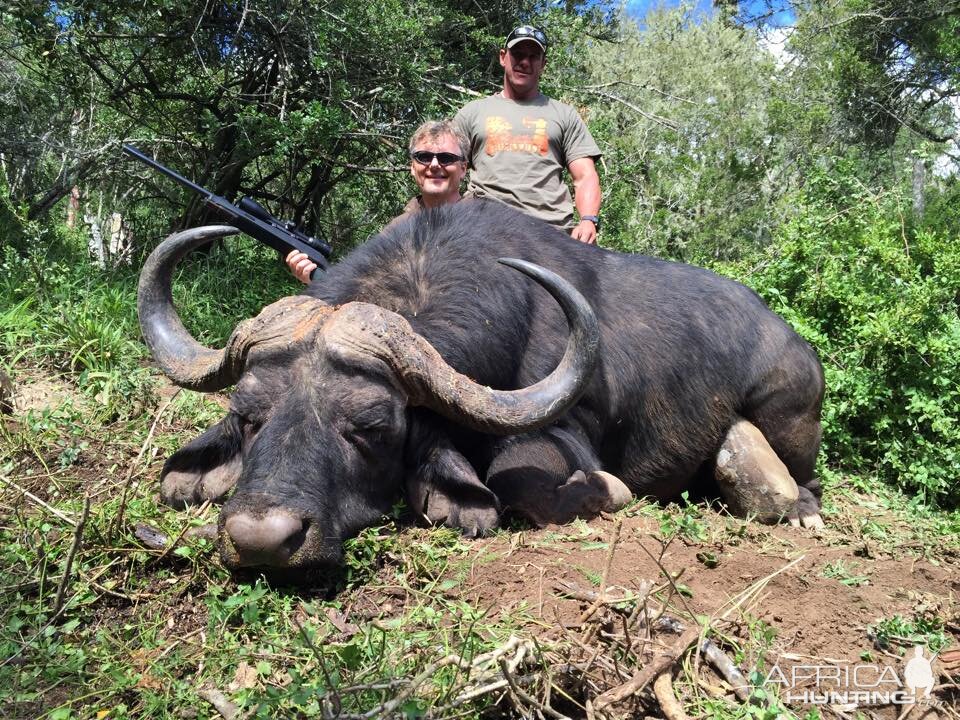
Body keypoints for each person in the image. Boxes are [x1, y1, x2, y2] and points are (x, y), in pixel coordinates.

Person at [454, 25, 602, 243]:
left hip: (552, 233)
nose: (525, 62)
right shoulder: (472, 113)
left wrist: (589, 220)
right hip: (483, 229)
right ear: (503, 57)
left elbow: (585, 176)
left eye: (534, 57)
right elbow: (444, 167)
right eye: (518, 54)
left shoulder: (564, 114)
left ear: (543, 64)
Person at [286, 120, 469, 283]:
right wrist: (314, 277)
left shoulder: (486, 221)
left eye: (446, 158)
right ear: (412, 167)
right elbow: (366, 288)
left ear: (463, 168)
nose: (435, 165)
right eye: (424, 157)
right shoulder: (396, 229)